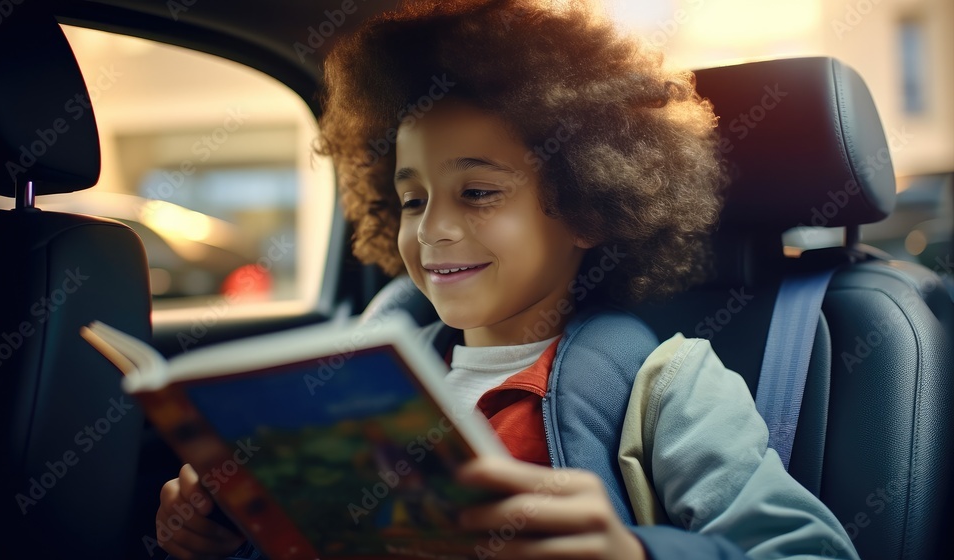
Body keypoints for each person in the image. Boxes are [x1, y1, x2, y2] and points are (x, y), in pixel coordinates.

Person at [156, 1, 859, 558]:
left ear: (586, 207)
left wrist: (635, 555)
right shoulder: (359, 380)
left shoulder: (668, 386)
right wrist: (226, 532)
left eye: (479, 193)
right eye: (412, 199)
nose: (432, 230)